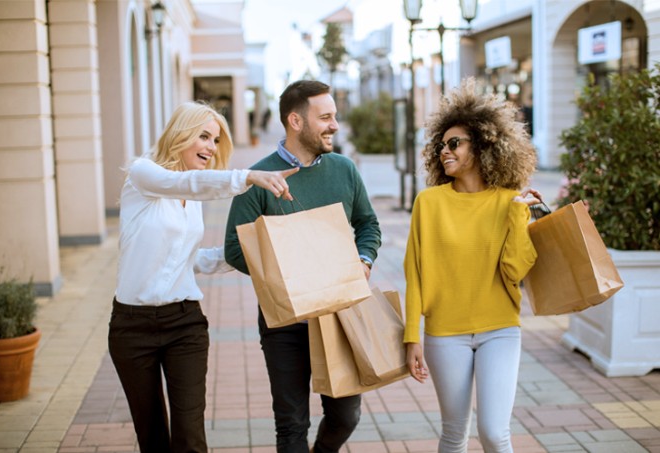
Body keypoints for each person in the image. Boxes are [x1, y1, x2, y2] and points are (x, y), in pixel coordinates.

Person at [108, 101, 298, 453]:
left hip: (184, 324)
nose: (211, 147)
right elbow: (186, 184)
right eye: (204, 136)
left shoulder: (190, 198)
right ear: (180, 134)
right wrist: (249, 176)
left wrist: (250, 251)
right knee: (152, 437)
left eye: (216, 140)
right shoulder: (143, 174)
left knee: (191, 436)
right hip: (131, 327)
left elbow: (187, 258)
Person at [224, 80, 382, 453]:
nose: (335, 125)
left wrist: (364, 260)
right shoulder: (259, 178)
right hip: (285, 322)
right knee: (291, 424)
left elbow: (368, 224)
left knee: (347, 416)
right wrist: (290, 274)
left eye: (335, 117)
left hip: (338, 315)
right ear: (295, 120)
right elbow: (234, 248)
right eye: (325, 117)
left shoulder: (343, 169)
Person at [403, 79, 540, 453]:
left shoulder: (510, 202)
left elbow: (515, 271)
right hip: (445, 333)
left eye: (454, 143)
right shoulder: (428, 203)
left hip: (500, 329)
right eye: (441, 145)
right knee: (454, 434)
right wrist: (411, 336)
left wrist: (518, 216)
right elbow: (414, 272)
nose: (444, 151)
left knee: (495, 432)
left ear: (482, 146)